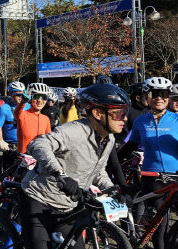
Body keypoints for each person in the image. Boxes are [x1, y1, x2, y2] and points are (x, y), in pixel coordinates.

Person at [21, 84, 128, 249]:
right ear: (97, 113)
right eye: (119, 114)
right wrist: (60, 174)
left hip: (69, 205)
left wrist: (112, 189)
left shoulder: (109, 139)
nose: (125, 119)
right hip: (39, 198)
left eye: (125, 113)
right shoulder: (74, 131)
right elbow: (38, 144)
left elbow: (98, 170)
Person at [119, 77, 178, 249]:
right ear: (147, 96)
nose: (159, 98)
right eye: (154, 94)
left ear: (168, 97)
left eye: (164, 94)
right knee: (159, 226)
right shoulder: (141, 121)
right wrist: (112, 164)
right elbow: (130, 145)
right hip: (153, 177)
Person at [14, 83, 52, 154]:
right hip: (24, 157)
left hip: (40, 157)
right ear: (31, 98)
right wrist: (23, 102)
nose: (40, 101)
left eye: (44, 97)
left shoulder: (46, 119)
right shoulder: (23, 115)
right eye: (36, 96)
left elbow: (48, 139)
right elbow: (17, 112)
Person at [0, 81, 29, 151]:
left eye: (23, 95)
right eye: (18, 95)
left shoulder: (28, 106)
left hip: (27, 143)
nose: (21, 97)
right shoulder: (4, 108)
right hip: (10, 145)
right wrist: (1, 141)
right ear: (11, 94)